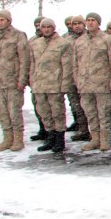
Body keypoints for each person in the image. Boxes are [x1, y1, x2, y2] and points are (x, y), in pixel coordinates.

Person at [73, 13, 111, 153]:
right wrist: (77, 80)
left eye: (93, 20)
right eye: (88, 20)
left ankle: (104, 139)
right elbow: (75, 64)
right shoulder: (80, 41)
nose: (90, 23)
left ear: (99, 23)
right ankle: (95, 139)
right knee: (90, 112)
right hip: (85, 85)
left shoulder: (107, 40)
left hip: (102, 83)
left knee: (103, 113)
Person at [0, 9, 31, 153]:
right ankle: (7, 138)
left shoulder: (18, 35)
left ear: (9, 20)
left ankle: (18, 139)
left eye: (3, 19)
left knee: (14, 112)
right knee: (2, 112)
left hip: (13, 81)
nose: (0, 22)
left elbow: (24, 59)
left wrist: (22, 80)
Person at [28, 17, 74, 154]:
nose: (46, 29)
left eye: (49, 27)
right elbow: (32, 64)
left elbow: (67, 66)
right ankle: (50, 137)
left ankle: (60, 140)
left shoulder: (62, 44)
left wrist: (65, 84)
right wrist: (32, 80)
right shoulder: (35, 44)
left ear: (53, 28)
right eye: (44, 27)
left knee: (57, 113)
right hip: (40, 85)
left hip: (55, 85)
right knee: (44, 112)